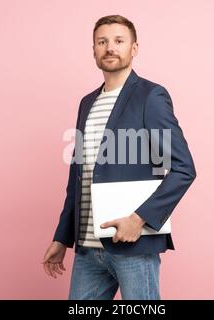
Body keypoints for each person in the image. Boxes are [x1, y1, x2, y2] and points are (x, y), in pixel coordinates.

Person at [42, 14, 196, 300]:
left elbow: (184, 169)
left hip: (133, 246)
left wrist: (139, 220)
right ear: (94, 51)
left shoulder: (151, 96)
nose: (109, 47)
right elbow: (78, 176)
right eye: (102, 42)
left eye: (118, 41)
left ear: (134, 48)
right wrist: (62, 237)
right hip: (87, 249)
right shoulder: (87, 103)